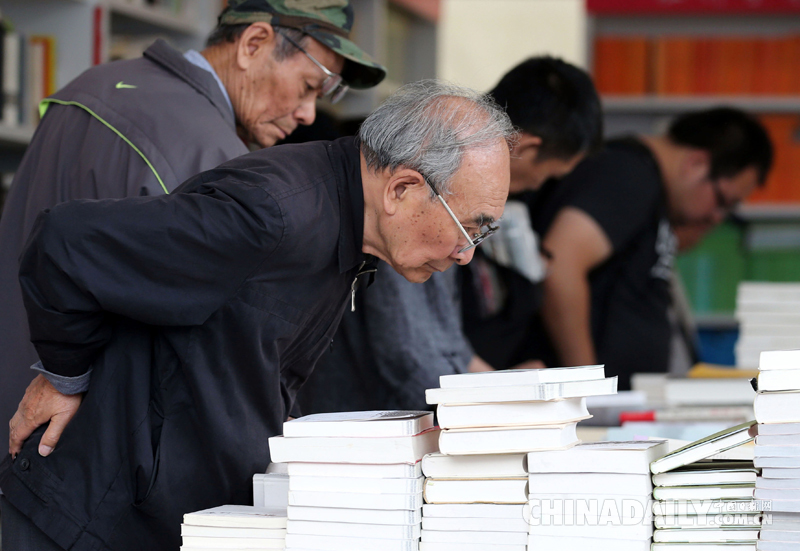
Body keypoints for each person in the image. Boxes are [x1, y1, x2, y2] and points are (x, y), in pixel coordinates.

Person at [0, 81, 515, 551]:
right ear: (401, 189)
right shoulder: (269, 214)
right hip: (87, 518)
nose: (466, 253)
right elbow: (64, 242)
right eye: (469, 227)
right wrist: (65, 374)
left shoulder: (347, 223)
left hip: (180, 515)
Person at [0, 0, 386, 448]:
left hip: (19, 393)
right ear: (253, 44)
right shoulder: (214, 159)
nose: (308, 114)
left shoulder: (90, 84)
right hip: (73, 436)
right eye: (308, 86)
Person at [296, 56, 602, 413]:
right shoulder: (412, 209)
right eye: (548, 176)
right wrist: (500, 404)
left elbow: (448, 344)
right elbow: (408, 358)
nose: (464, 253)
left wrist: (507, 389)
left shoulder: (450, 206)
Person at [524, 107, 773, 390]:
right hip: (590, 401)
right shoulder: (628, 175)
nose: (717, 218)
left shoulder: (649, 186)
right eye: (722, 201)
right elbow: (560, 265)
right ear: (696, 163)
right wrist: (587, 386)